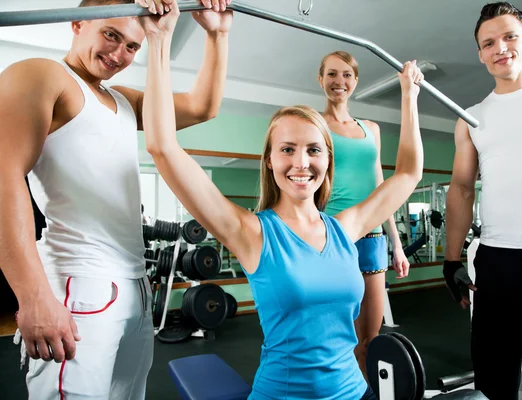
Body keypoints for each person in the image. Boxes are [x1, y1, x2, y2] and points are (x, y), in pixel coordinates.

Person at [141, 5, 424, 395]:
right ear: (270, 160)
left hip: (354, 392)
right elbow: (162, 147)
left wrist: (409, 94)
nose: (301, 163)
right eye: (287, 149)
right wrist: (158, 41)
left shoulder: (346, 229)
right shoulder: (251, 232)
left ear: (328, 158)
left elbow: (408, 174)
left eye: (313, 150)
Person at [0, 0, 232, 398]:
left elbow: (202, 106)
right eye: (111, 35)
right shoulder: (42, 75)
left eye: (131, 46)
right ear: (76, 23)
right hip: (79, 282)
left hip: (135, 289)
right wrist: (33, 295)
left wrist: (218, 33)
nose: (118, 54)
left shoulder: (122, 101)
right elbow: (3, 177)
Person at [442, 2, 522, 399]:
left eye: (509, 36)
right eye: (489, 43)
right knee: (493, 381)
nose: (501, 47)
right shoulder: (472, 117)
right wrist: (450, 261)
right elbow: (462, 189)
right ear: (481, 54)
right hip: (498, 262)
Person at [317, 50, 410, 376]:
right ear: (321, 79)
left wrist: (395, 243)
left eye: (346, 75)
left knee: (369, 340)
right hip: (331, 234)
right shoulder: (314, 125)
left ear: (355, 82)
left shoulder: (371, 129)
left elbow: (380, 185)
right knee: (331, 338)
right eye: (331, 74)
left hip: (371, 238)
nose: (338, 81)